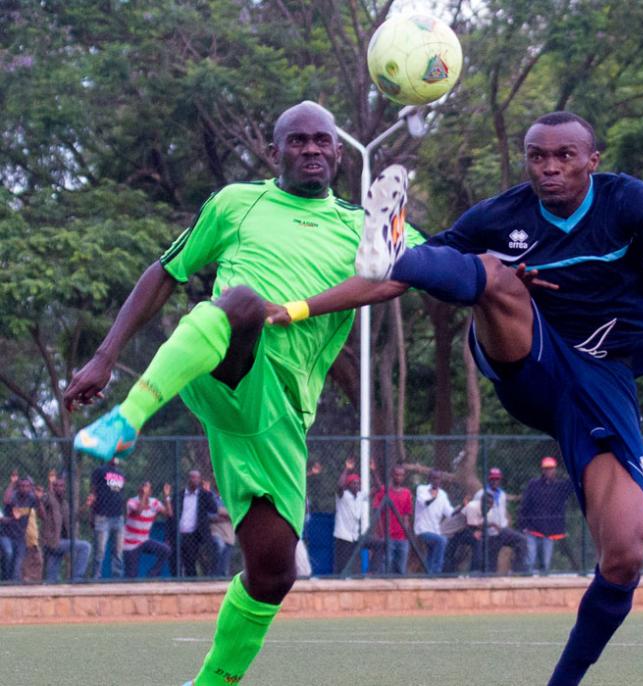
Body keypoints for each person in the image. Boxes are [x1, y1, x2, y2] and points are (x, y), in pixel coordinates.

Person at [276, 110, 643, 685]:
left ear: (592, 161)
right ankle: (401, 244)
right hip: (529, 359)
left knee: (624, 555)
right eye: (536, 156)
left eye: (564, 157)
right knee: (495, 274)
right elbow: (390, 280)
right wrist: (299, 308)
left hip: (601, 382)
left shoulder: (626, 200)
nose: (548, 168)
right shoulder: (501, 216)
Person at [63, 100, 422, 685]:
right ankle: (127, 419)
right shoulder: (236, 201)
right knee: (242, 302)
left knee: (274, 573)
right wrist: (105, 357)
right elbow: (164, 272)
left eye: (322, 141)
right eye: (297, 140)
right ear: (273, 149)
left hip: (280, 414)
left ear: (337, 150)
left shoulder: (363, 228)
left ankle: (209, 682)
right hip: (226, 363)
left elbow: (408, 274)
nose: (311, 149)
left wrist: (504, 267)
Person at [519, 456, 576, 574]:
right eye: (546, 469)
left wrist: (574, 467)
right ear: (542, 470)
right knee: (530, 558)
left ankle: (543, 585)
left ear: (555, 470)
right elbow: (525, 505)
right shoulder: (534, 485)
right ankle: (527, 581)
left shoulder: (559, 486)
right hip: (532, 527)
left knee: (546, 562)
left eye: (551, 468)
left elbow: (572, 484)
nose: (549, 471)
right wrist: (523, 524)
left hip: (549, 530)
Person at [472, 468, 527, 573]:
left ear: (500, 480)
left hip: (502, 530)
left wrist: (503, 525)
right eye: (492, 479)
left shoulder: (502, 494)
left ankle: (517, 571)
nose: (495, 481)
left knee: (521, 540)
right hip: (489, 533)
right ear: (488, 479)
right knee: (491, 567)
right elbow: (474, 514)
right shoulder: (480, 494)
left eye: (497, 479)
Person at [41, 476, 92, 583]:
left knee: (52, 578)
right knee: (85, 546)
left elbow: (74, 517)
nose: (60, 488)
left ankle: (51, 586)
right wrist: (50, 484)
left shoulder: (64, 504)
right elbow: (44, 499)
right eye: (57, 486)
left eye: (62, 486)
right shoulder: (49, 500)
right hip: (52, 541)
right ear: (53, 488)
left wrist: (86, 505)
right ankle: (78, 577)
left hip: (61, 542)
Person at [171, 471, 217, 577]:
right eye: (192, 477)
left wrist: (208, 492)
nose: (194, 480)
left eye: (197, 478)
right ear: (188, 479)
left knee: (191, 562)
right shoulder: (180, 495)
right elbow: (172, 515)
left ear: (200, 480)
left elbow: (214, 509)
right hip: (180, 532)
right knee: (176, 561)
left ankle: (193, 583)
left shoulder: (203, 495)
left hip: (194, 534)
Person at [123, 481, 173, 578]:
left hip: (144, 541)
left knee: (166, 550)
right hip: (130, 544)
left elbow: (169, 514)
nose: (143, 490)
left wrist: (166, 497)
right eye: (142, 488)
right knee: (131, 576)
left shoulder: (154, 503)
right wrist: (143, 496)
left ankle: (152, 574)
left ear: (151, 492)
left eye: (146, 489)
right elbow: (139, 512)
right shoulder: (131, 502)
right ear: (139, 490)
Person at [371, 464, 413, 575]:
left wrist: (406, 532)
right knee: (385, 569)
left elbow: (406, 515)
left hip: (402, 538)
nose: (399, 477)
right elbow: (377, 511)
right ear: (392, 475)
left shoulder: (406, 493)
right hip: (387, 536)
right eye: (397, 475)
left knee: (401, 569)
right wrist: (380, 533)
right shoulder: (384, 490)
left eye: (401, 475)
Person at [89, 457, 126, 579]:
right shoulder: (100, 471)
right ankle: (96, 576)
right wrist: (92, 514)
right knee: (100, 551)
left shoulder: (121, 473)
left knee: (118, 551)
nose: (116, 458)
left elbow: (121, 493)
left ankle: (117, 577)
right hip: (102, 516)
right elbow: (93, 491)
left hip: (118, 516)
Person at [413, 469, 454, 574]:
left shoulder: (443, 494)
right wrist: (433, 496)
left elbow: (450, 513)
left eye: (438, 478)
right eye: (434, 478)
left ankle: (428, 574)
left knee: (432, 554)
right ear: (429, 479)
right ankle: (436, 572)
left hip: (435, 530)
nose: (436, 481)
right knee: (442, 541)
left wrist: (463, 506)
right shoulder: (422, 489)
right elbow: (424, 503)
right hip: (422, 530)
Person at [2, 476, 42, 582]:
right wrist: (12, 483)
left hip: (20, 536)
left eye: (27, 486)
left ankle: (13, 583)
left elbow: (42, 515)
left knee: (17, 565)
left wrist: (38, 499)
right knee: (8, 552)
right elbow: (6, 500)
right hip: (6, 535)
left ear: (30, 487)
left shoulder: (31, 498)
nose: (24, 488)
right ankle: (5, 579)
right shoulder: (14, 496)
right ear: (18, 487)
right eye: (22, 486)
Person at [333, 459, 364, 575]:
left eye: (358, 483)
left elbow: (378, 489)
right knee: (342, 564)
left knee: (356, 562)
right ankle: (340, 581)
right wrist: (347, 468)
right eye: (353, 483)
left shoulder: (360, 496)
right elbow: (339, 485)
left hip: (355, 535)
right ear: (348, 485)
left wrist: (373, 471)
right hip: (343, 534)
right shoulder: (343, 495)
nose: (356, 485)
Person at [209, 487, 235, 578]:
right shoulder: (210, 495)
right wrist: (224, 515)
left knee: (225, 559)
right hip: (214, 530)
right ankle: (213, 575)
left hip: (228, 532)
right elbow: (208, 514)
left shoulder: (229, 495)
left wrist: (218, 511)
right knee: (219, 545)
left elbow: (234, 513)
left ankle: (222, 577)